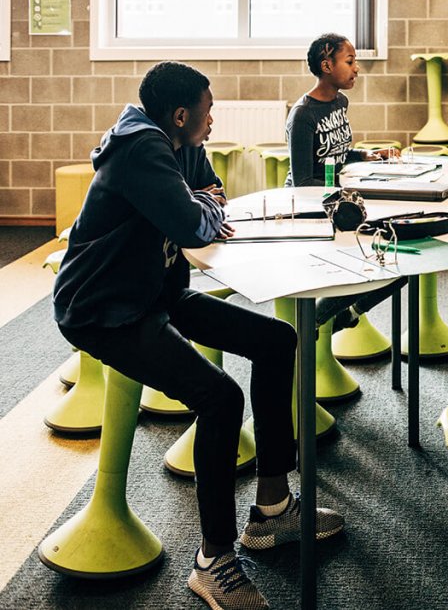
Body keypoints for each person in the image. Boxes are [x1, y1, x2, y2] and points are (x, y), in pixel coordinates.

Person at [52, 61, 344, 610]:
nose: (213, 123)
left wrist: (198, 203)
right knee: (220, 398)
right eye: (208, 113)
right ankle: (213, 561)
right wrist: (198, 207)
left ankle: (273, 509)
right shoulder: (141, 148)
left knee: (278, 341)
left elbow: (213, 194)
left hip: (154, 291)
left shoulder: (178, 141)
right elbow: (193, 222)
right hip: (104, 310)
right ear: (181, 115)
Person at [286, 32, 405, 333]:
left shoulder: (340, 101)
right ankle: (310, 322)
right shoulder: (302, 115)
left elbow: (336, 153)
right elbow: (302, 181)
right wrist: (349, 196)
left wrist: (367, 154)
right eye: (350, 61)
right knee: (384, 257)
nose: (356, 68)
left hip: (340, 199)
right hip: (313, 207)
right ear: (327, 66)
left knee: (401, 262)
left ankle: (348, 312)